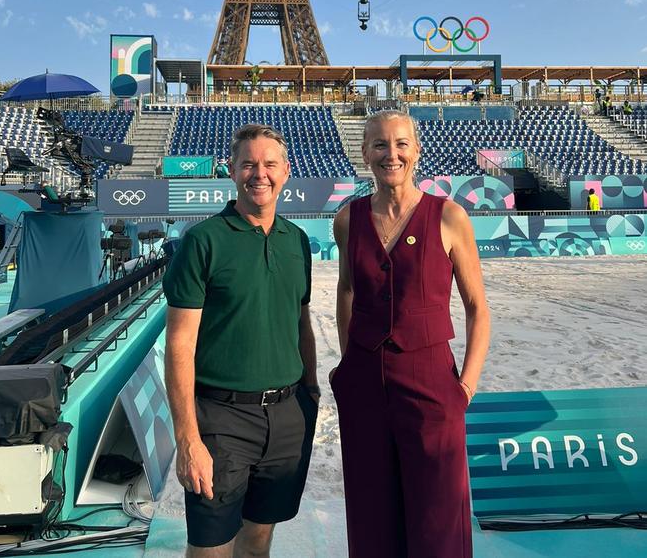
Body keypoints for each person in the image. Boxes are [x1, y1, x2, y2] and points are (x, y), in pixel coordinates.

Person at [331, 110, 490, 558]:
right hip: (364, 383)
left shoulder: (449, 216)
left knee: (439, 521)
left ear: (416, 151)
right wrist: (349, 364)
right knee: (370, 516)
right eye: (379, 145)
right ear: (364, 153)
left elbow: (478, 309)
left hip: (432, 383)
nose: (391, 154)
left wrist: (466, 387)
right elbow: (346, 291)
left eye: (400, 143)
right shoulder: (348, 220)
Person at [163, 124, 319, 558]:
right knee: (211, 548)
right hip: (221, 420)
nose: (259, 174)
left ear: (286, 171)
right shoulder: (202, 241)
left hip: (287, 415)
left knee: (258, 540)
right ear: (231, 171)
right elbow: (178, 346)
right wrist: (187, 439)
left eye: (270, 164)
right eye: (248, 163)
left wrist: (311, 392)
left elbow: (301, 322)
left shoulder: (297, 241)